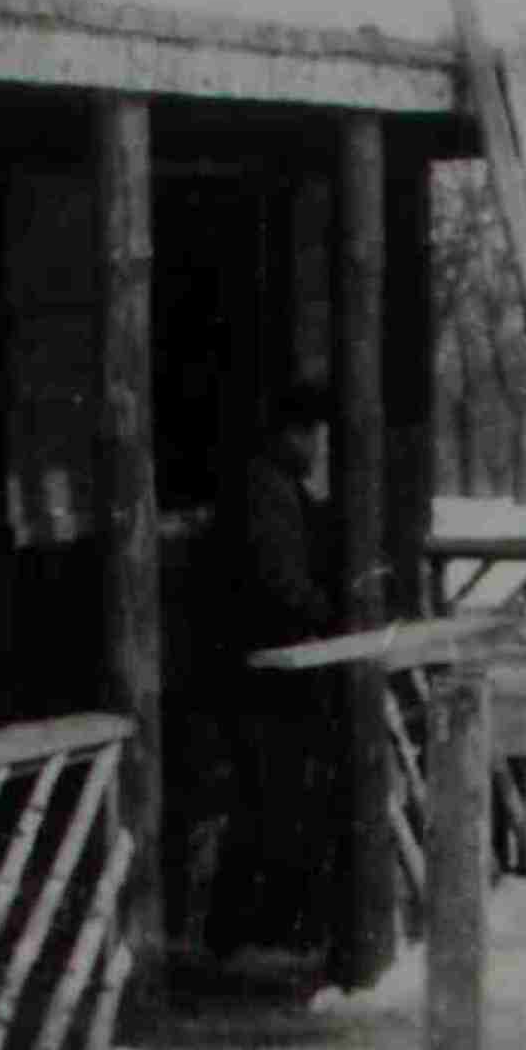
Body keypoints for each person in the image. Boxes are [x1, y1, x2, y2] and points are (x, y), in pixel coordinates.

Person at [202, 382, 343, 964]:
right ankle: (244, 932)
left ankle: (251, 929)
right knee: (269, 798)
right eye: (312, 437)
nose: (316, 450)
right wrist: (328, 614)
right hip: (262, 672)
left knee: (268, 798)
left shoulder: (278, 487)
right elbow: (281, 584)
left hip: (265, 666)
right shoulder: (266, 491)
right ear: (291, 434)